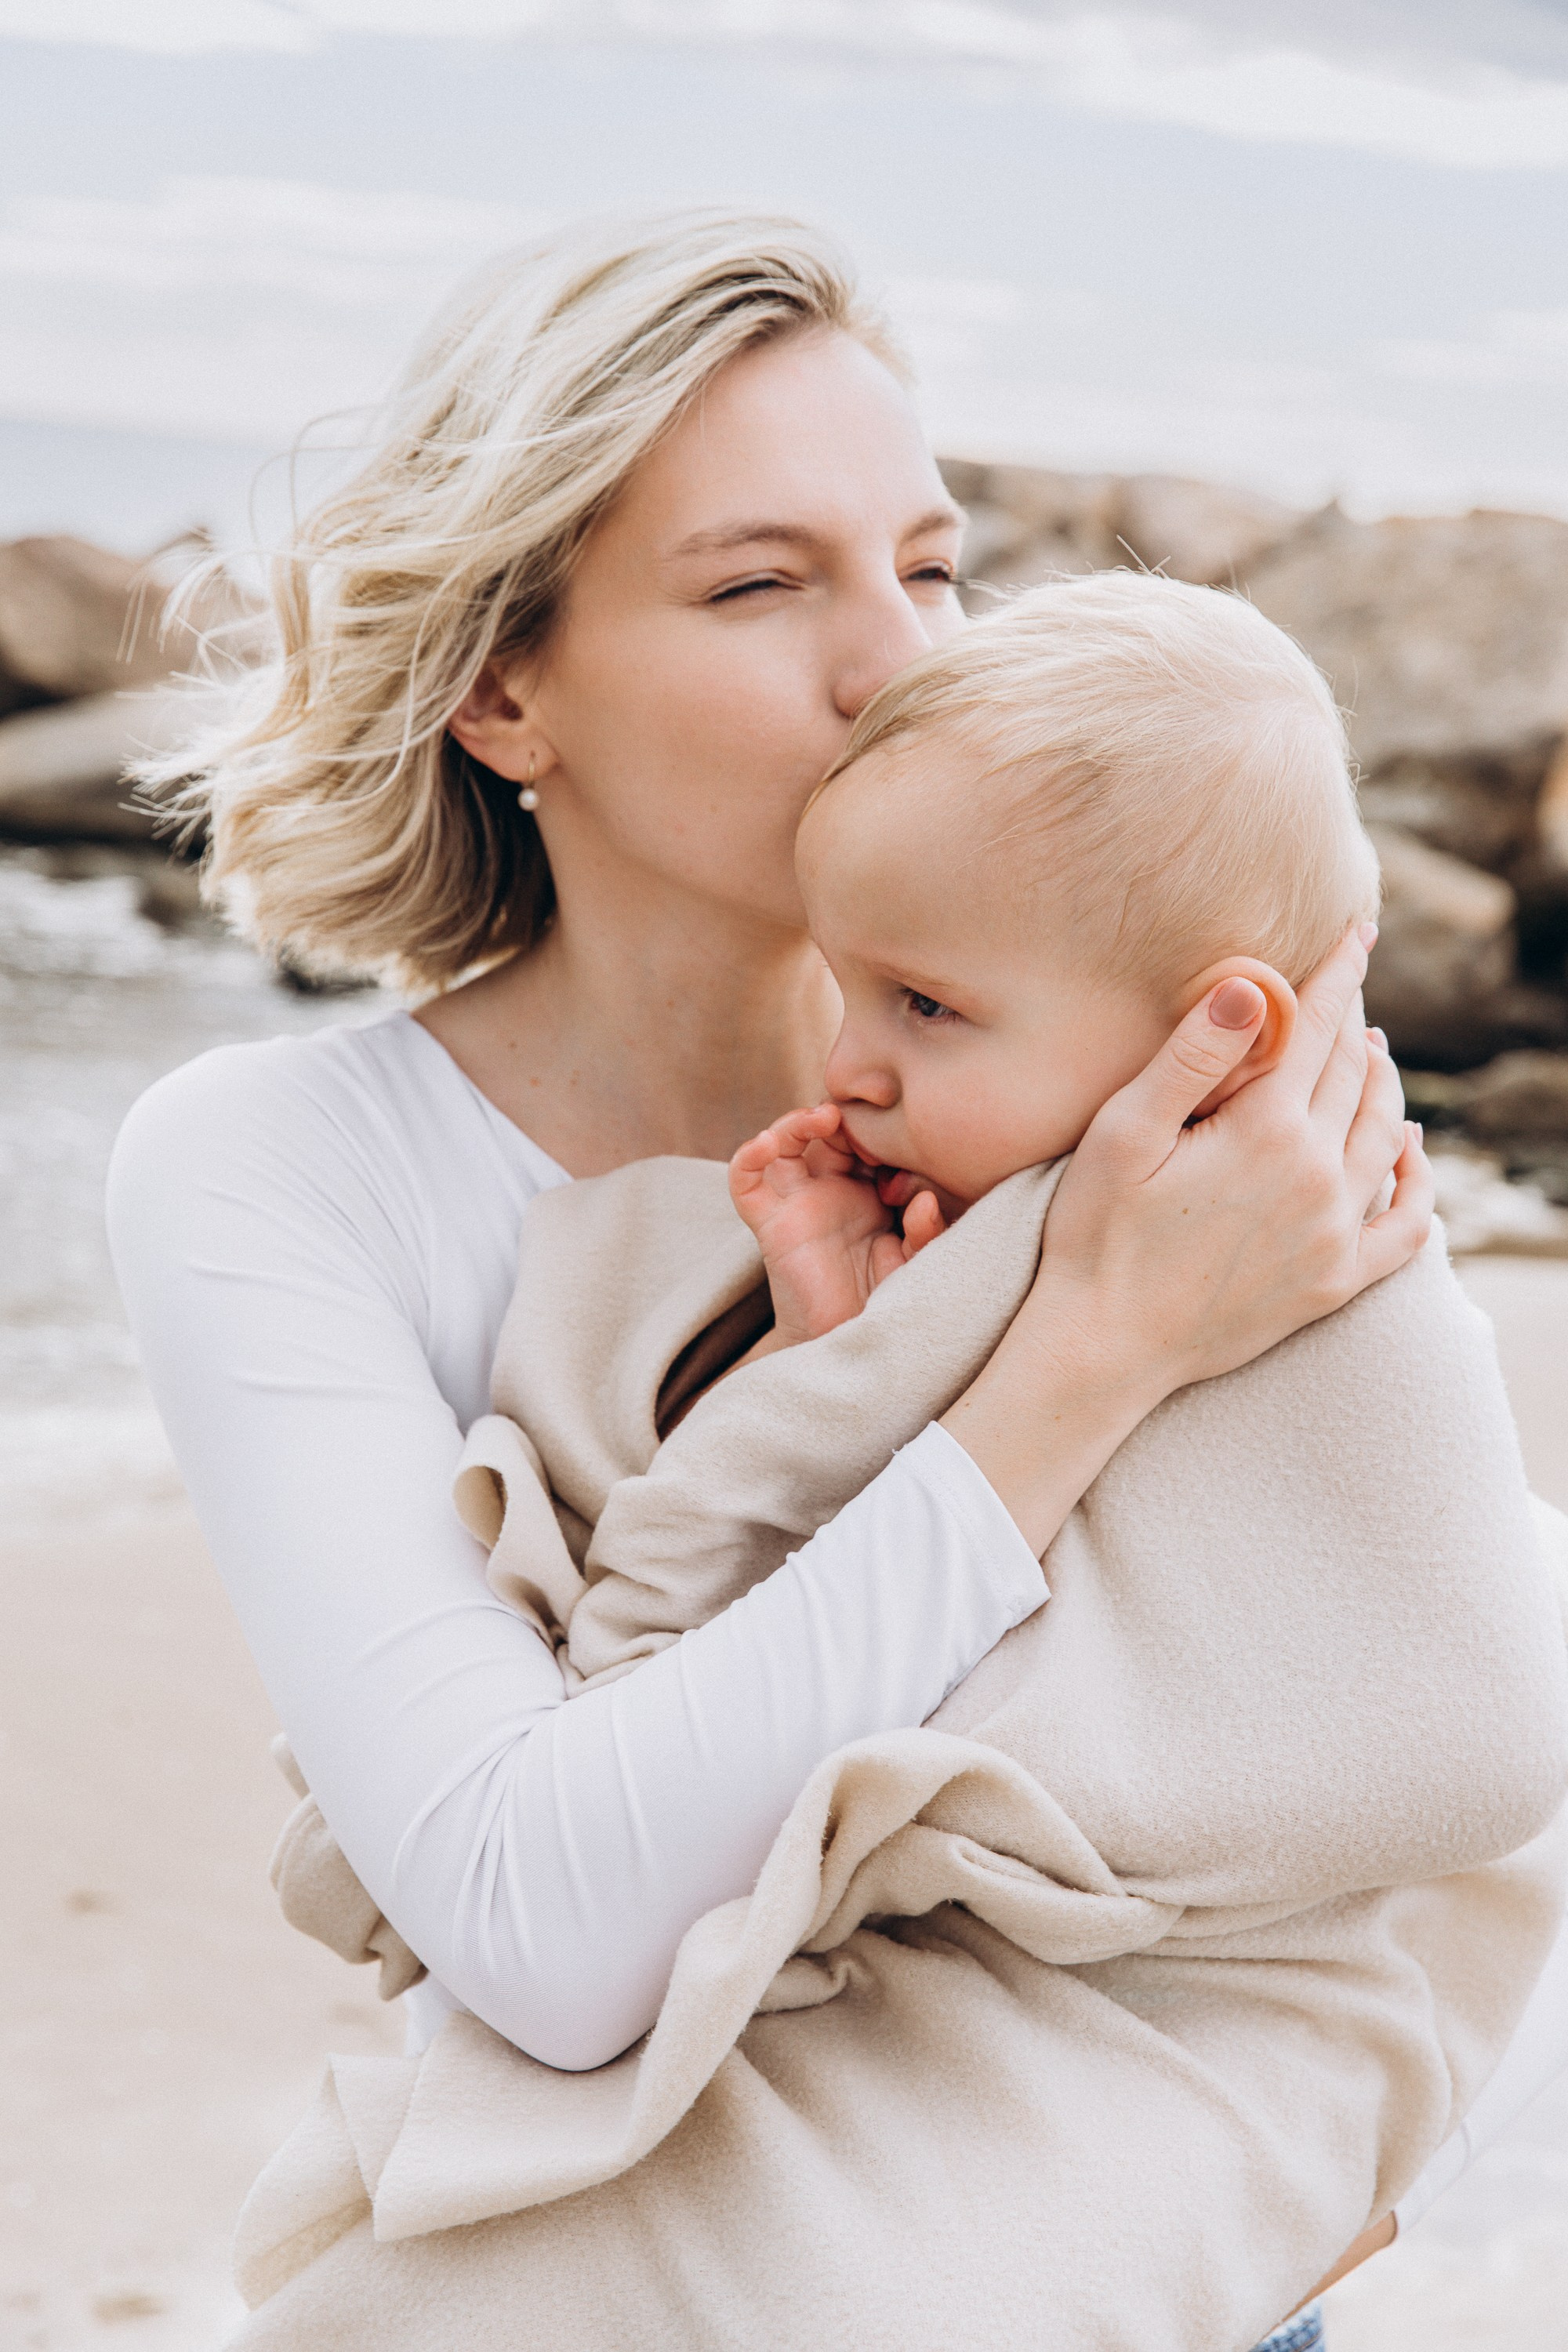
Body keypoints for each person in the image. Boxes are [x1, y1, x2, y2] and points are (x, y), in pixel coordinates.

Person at [106, 209, 1532, 2346]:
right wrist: (1088, 1353)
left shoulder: (1143, 1061)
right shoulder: (285, 1169)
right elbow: (541, 1917)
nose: (901, 660)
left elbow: (1422, 1658)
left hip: (1167, 2263)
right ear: (507, 685)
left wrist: (1302, 2146)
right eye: (764, 583)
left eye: (935, 565)